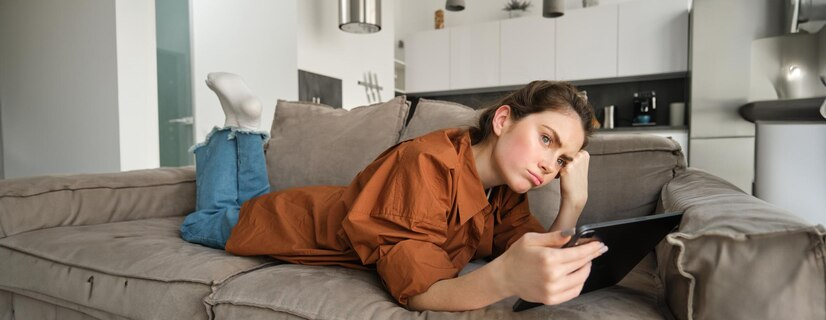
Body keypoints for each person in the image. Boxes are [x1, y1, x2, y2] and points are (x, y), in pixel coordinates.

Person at [180, 73, 608, 312]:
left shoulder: (507, 190)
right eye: (547, 140)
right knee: (206, 220)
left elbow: (542, 259)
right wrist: (503, 277)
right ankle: (242, 129)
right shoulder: (427, 165)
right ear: (502, 121)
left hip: (327, 202)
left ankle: (244, 127)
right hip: (291, 222)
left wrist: (574, 202)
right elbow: (423, 291)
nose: (551, 165)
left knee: (242, 200)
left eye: (564, 160)